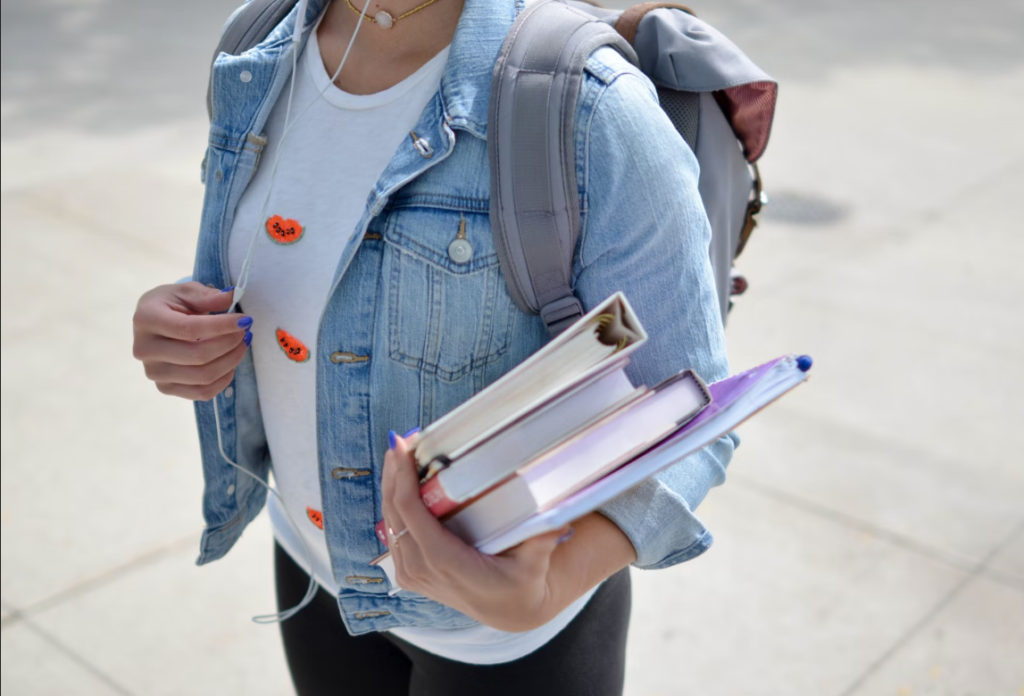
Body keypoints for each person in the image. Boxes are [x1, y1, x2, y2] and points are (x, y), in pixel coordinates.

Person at [131, 0, 736, 693]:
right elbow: (287, 266)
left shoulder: (590, 108)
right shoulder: (255, 47)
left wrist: (547, 587)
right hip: (312, 566)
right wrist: (181, 323)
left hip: (509, 643)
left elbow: (690, 408)